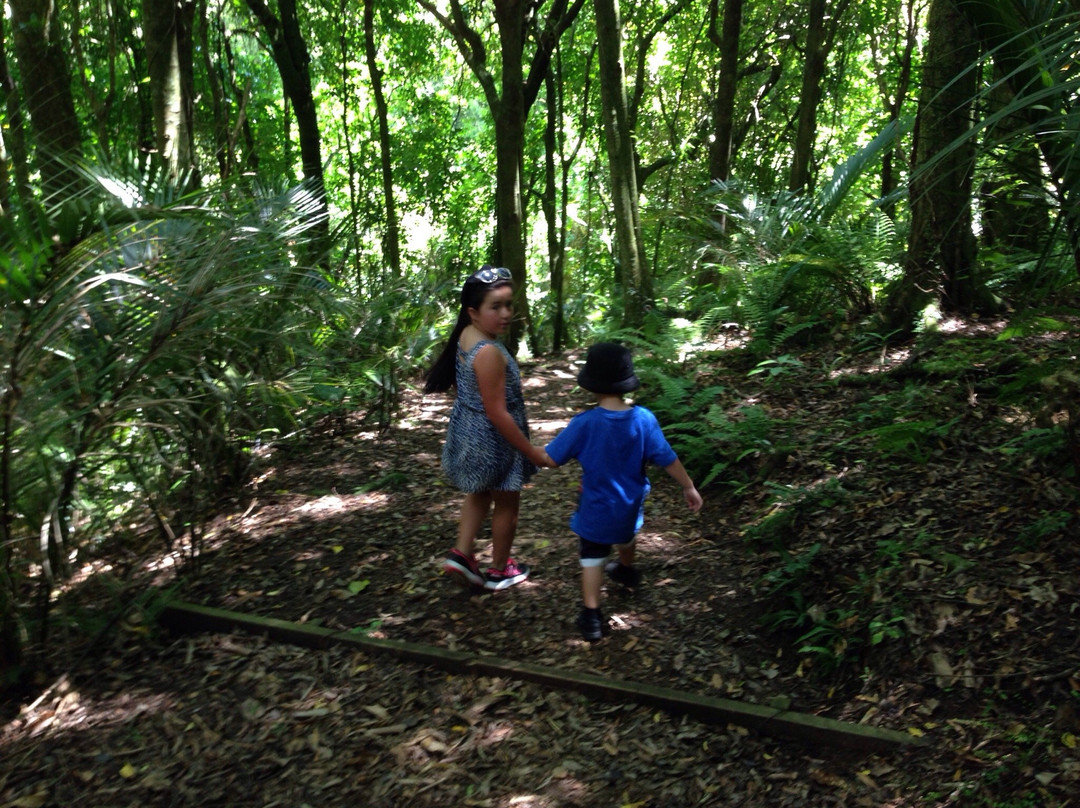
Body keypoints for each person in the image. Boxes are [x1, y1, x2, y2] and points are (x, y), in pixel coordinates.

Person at [543, 342, 703, 641]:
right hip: (629, 505)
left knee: (593, 555)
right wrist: (688, 486)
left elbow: (551, 459)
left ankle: (592, 615)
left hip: (596, 507)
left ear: (591, 383)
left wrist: (524, 448)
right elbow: (667, 457)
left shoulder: (585, 423)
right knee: (627, 536)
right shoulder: (644, 419)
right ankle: (626, 569)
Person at [424, 265, 553, 591]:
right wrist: (531, 451)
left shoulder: (468, 335)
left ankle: (462, 554)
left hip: (470, 433)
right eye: (495, 306)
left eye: (509, 304)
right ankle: (499, 570)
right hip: (495, 441)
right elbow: (497, 413)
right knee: (507, 501)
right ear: (473, 311)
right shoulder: (490, 353)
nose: (506, 313)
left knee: (479, 491)